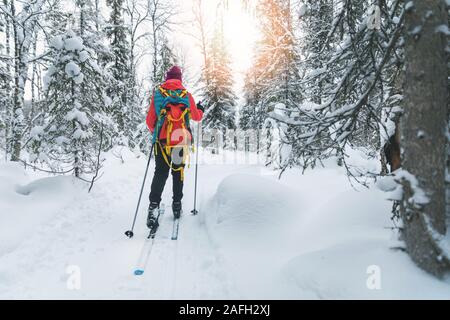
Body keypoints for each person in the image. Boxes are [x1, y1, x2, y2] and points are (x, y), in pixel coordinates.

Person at [145, 66, 204, 228]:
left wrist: (156, 133)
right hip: (180, 141)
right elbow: (197, 117)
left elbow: (150, 121)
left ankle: (153, 207)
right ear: (180, 79)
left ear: (167, 78)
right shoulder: (186, 96)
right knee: (178, 172)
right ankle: (177, 205)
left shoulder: (158, 95)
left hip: (162, 143)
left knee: (161, 173)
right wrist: (200, 109)